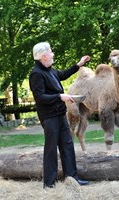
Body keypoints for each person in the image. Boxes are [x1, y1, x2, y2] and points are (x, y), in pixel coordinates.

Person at [29, 42, 90, 188]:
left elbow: (62, 75)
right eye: (51, 52)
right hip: (49, 117)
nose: (53, 54)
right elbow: (40, 98)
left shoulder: (49, 70)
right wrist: (59, 97)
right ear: (43, 56)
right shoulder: (36, 73)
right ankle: (50, 184)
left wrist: (79, 64)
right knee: (51, 149)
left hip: (60, 114)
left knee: (67, 145)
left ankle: (72, 179)